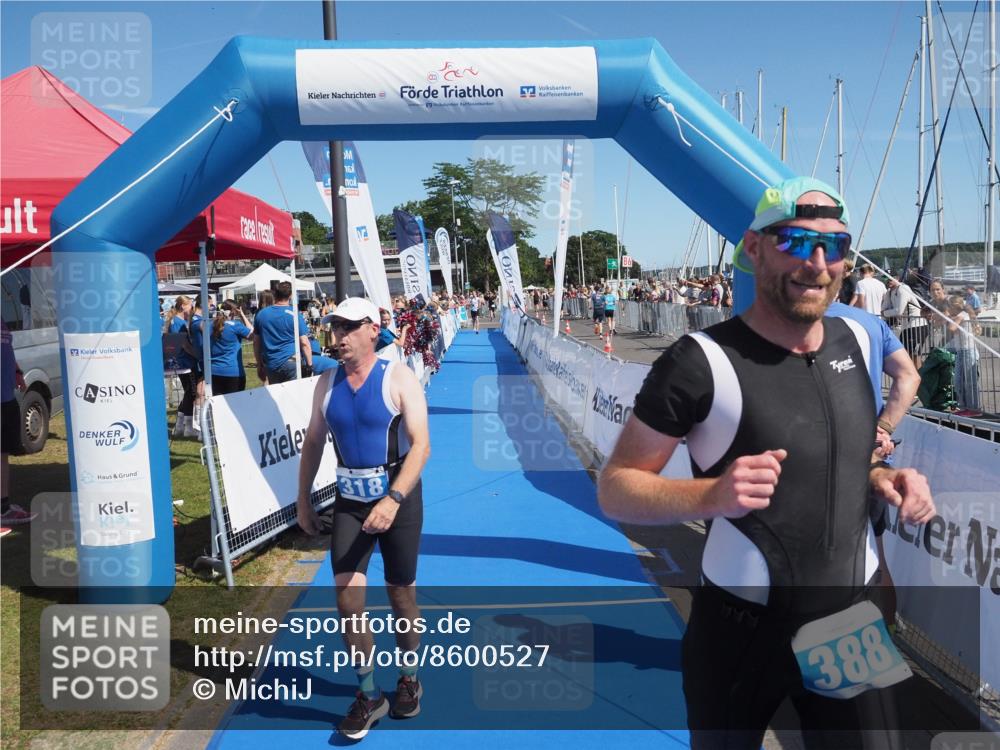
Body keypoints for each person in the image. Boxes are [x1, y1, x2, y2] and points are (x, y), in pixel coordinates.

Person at [598, 177, 935, 749]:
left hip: (847, 620)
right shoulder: (699, 361)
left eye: (836, 246)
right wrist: (710, 496)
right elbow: (616, 487)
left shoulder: (855, 342)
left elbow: (838, 461)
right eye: (797, 242)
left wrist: (881, 477)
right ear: (754, 249)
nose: (819, 264)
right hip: (738, 630)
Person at [296, 297, 430, 740]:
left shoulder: (398, 377)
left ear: (373, 329)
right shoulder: (327, 383)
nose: (339, 336)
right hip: (350, 501)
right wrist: (302, 498)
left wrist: (393, 498)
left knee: (400, 596)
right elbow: (314, 440)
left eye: (349, 327)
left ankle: (409, 677)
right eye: (334, 327)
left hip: (398, 499)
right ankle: (370, 694)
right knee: (347, 602)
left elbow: (422, 446)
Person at [1, 320, 38, 530]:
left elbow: (7, 348)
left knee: (3, 452)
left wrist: (16, 372)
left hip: (5, 396)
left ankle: (3, 509)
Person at [252, 281, 313, 384]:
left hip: (271, 364)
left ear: (275, 294)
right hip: (291, 362)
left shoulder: (261, 314)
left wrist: (259, 364)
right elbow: (304, 342)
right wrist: (310, 365)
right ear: (291, 295)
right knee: (293, 397)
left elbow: (256, 343)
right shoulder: (294, 314)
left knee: (276, 397)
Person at [192, 301, 253, 396]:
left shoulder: (209, 325)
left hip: (214, 372)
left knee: (218, 405)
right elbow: (252, 334)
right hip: (233, 372)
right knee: (235, 405)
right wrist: (242, 315)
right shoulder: (235, 325)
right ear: (234, 312)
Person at [164, 296, 201, 438]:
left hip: (184, 361)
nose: (191, 308)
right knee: (191, 392)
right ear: (182, 306)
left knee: (188, 391)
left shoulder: (178, 321)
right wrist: (197, 355)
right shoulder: (178, 323)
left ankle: (180, 426)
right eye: (189, 305)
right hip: (186, 362)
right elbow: (184, 344)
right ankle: (188, 427)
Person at [881, 276, 928, 368]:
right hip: (906, 328)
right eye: (886, 278)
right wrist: (884, 312)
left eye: (890, 279)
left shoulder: (903, 289)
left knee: (915, 356)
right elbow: (883, 309)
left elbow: (899, 311)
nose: (888, 281)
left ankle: (921, 379)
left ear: (897, 278)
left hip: (917, 326)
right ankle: (914, 378)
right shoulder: (889, 292)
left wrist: (885, 313)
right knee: (905, 357)